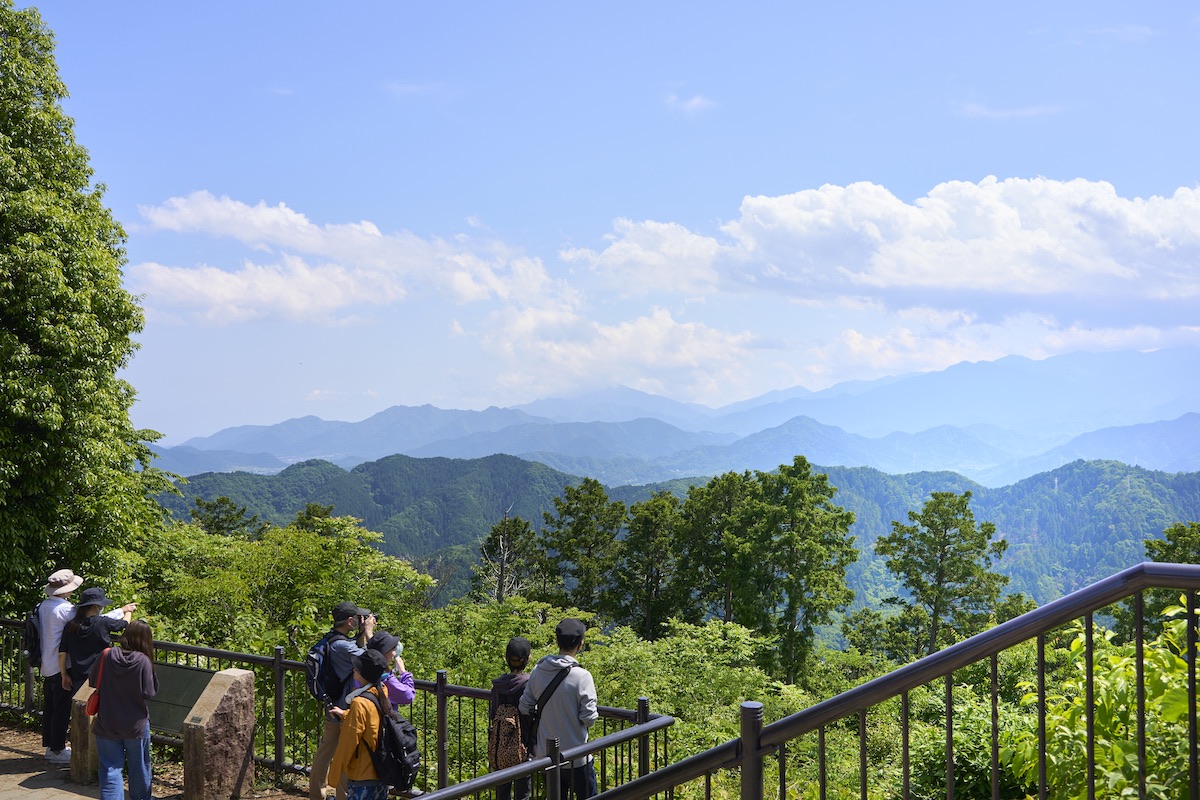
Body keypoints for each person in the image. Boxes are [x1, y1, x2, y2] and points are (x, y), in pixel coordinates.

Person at [519, 619, 598, 799]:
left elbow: (524, 706)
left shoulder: (539, 670)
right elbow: (589, 719)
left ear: (557, 642)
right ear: (581, 644)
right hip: (577, 756)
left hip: (547, 757)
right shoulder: (582, 676)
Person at [311, 601, 376, 800]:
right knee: (348, 753)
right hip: (345, 708)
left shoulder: (331, 640)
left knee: (325, 752)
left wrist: (362, 635)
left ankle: (316, 794)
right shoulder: (343, 646)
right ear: (350, 621)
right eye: (358, 619)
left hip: (332, 705)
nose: (360, 621)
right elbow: (373, 661)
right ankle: (343, 796)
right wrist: (369, 632)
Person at [89, 619, 159, 800]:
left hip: (107, 721)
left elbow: (93, 681)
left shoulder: (106, 655)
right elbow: (149, 692)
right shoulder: (143, 661)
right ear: (145, 640)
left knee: (110, 768)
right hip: (135, 725)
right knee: (139, 768)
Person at [328, 649, 391, 800]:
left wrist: (333, 776)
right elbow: (372, 722)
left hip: (362, 774)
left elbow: (347, 743)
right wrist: (345, 714)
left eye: (357, 667)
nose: (354, 669)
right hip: (381, 770)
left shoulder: (359, 703)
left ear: (363, 673)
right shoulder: (381, 691)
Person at [38, 568, 84, 764]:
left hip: (46, 663)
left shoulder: (42, 606)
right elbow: (90, 621)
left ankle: (50, 746)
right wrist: (121, 612)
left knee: (50, 707)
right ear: (66, 590)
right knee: (62, 708)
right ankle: (57, 750)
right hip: (62, 665)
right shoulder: (66, 609)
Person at [59, 587, 137, 696]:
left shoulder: (71, 626)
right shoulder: (103, 623)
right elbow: (124, 624)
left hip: (78, 677)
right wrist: (128, 611)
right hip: (101, 676)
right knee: (99, 709)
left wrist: (64, 674)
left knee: (79, 708)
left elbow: (62, 653)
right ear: (97, 605)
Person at [490, 636, 532, 800]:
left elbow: (493, 714)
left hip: (501, 745)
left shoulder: (498, 685)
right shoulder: (529, 685)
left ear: (507, 658)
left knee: (502, 791)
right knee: (522, 793)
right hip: (523, 747)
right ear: (527, 659)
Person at [365, 632, 415, 711]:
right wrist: (403, 673)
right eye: (392, 649)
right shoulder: (385, 679)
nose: (394, 653)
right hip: (383, 721)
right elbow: (408, 695)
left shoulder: (364, 671)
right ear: (384, 653)